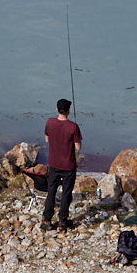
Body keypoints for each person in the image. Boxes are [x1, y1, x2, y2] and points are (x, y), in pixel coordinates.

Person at [42, 98, 81, 230]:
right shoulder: (73, 127)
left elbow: (47, 139)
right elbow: (78, 147)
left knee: (51, 191)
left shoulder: (50, 122)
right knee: (66, 193)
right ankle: (62, 221)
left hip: (53, 164)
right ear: (69, 111)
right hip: (68, 166)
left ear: (57, 110)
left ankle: (47, 220)